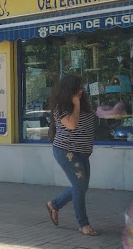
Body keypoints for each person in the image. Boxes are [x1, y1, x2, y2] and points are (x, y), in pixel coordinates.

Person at [45, 74, 98, 236]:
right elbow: (72, 125)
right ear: (69, 90)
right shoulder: (60, 108)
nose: (81, 90)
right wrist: (75, 105)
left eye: (82, 87)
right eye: (77, 88)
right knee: (80, 187)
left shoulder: (84, 105)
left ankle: (54, 205)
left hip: (83, 153)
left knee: (81, 187)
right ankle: (83, 224)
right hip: (66, 151)